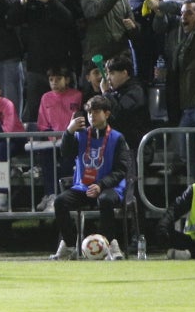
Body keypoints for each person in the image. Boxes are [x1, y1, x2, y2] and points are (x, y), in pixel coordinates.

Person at [51, 95, 133, 261]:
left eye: (96, 112)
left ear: (107, 114)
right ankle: (68, 245)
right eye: (89, 113)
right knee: (60, 202)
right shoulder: (80, 135)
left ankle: (112, 246)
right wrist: (68, 131)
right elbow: (66, 154)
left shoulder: (117, 137)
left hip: (109, 187)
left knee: (105, 200)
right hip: (83, 187)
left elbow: (121, 169)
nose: (91, 116)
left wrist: (101, 185)